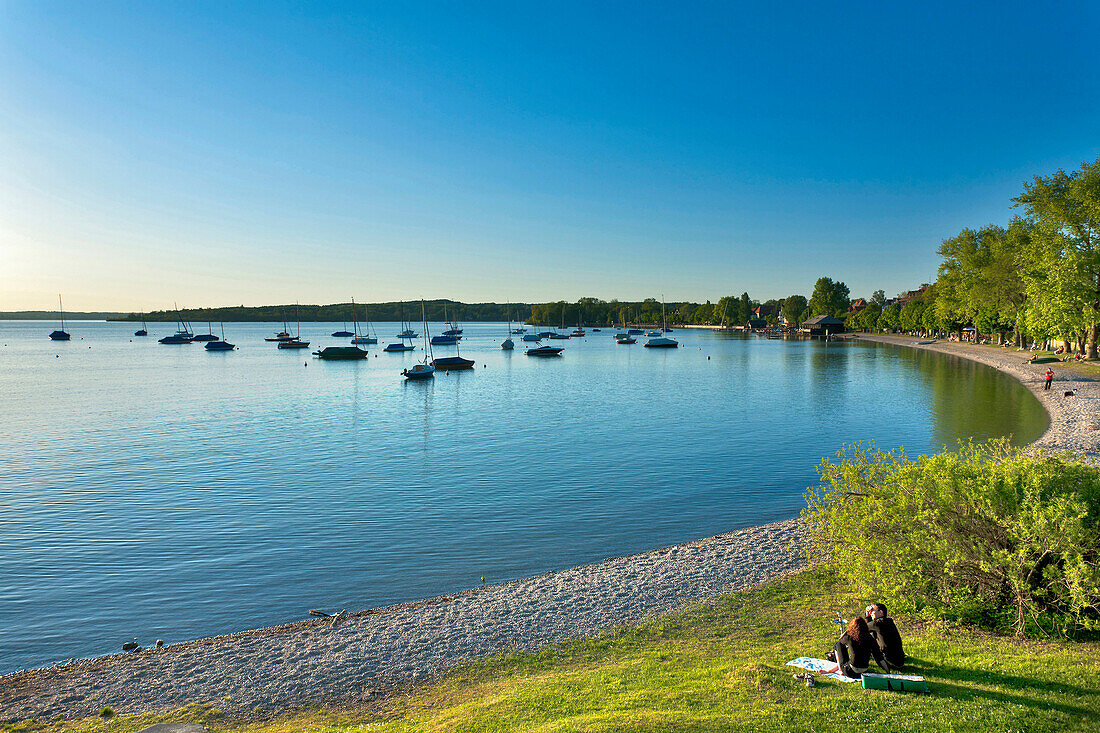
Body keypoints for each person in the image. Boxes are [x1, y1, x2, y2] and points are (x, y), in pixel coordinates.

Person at [820, 616, 890, 679]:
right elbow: (879, 657)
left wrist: (846, 632)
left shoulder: (849, 638)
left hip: (850, 672)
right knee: (849, 656)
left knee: (838, 645)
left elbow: (840, 641)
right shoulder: (870, 639)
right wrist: (888, 671)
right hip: (864, 672)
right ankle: (840, 669)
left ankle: (837, 670)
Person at [864, 603, 905, 670]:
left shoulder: (877, 624)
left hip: (890, 662)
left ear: (881, 612)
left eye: (873, 610)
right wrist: (869, 616)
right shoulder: (887, 621)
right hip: (899, 661)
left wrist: (867, 617)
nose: (871, 612)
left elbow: (863, 629)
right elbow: (868, 629)